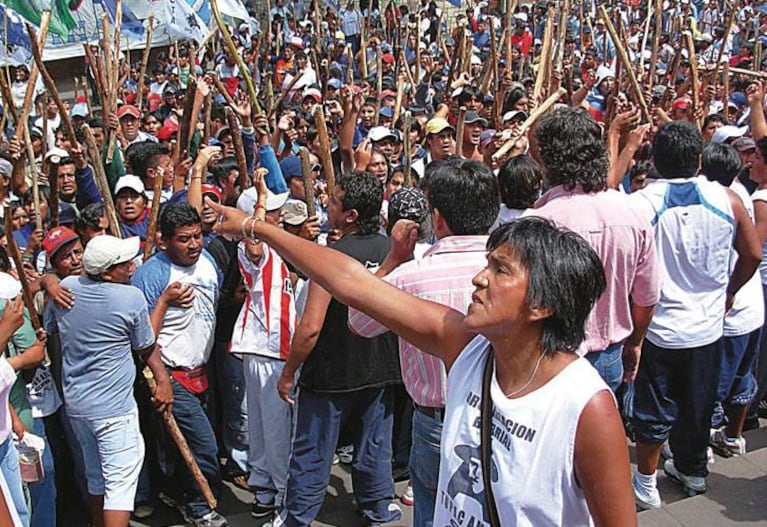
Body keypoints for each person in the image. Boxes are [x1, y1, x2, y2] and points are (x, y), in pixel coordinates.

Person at [206, 200, 637, 526]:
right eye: (487, 263)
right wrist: (254, 226)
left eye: (500, 270)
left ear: (542, 304)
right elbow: (351, 283)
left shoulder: (586, 408)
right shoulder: (465, 347)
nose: (480, 278)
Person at [349, 158, 499, 526]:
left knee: (434, 515)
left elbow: (360, 322)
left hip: (437, 420)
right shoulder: (515, 272)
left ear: (438, 218)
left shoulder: (411, 275)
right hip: (503, 420)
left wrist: (392, 261)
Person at [630, 121, 762, 508]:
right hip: (705, 327)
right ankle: (692, 471)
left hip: (659, 328)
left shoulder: (641, 203)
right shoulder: (728, 198)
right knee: (697, 402)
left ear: (655, 159)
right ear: (700, 159)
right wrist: (729, 291)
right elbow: (752, 253)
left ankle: (648, 481)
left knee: (654, 408)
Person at [275, 172, 402, 526]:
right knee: (375, 444)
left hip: (331, 373)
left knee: (313, 450)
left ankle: (297, 517)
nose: (326, 205)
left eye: (333, 201)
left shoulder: (329, 258)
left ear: (351, 216)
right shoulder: (393, 252)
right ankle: (377, 505)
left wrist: (288, 374)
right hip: (380, 368)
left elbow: (310, 327)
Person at [525, 107, 660, 393]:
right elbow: (646, 297)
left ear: (546, 159)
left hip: (551, 361)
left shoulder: (536, 223)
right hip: (603, 358)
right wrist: (635, 342)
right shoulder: (632, 214)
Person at [44, 235, 172, 527]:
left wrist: (49, 281)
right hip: (114, 412)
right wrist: (163, 380)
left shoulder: (66, 288)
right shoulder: (129, 298)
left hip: (78, 407)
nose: (131, 268)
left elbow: (50, 314)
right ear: (105, 272)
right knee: (119, 486)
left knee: (96, 478)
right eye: (124, 264)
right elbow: (145, 345)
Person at [130, 203, 226, 527]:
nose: (194, 245)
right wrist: (164, 302)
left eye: (198, 236)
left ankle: (176, 492)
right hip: (169, 373)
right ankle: (199, 507)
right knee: (205, 447)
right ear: (164, 241)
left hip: (201, 368)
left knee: (179, 445)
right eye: (184, 239)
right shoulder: (150, 276)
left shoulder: (209, 263)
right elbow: (141, 338)